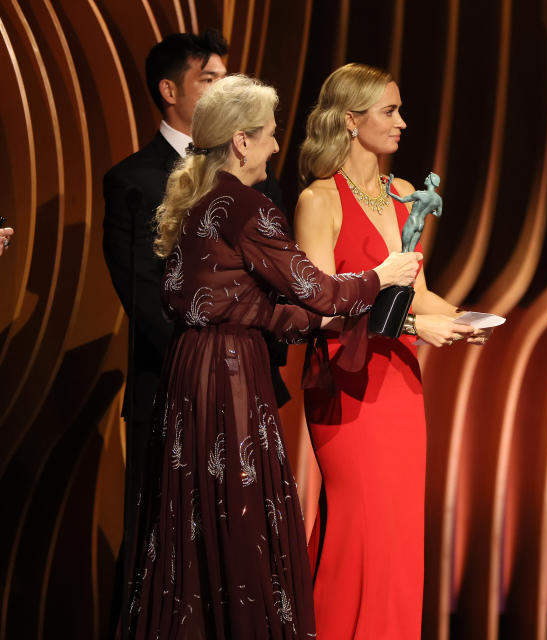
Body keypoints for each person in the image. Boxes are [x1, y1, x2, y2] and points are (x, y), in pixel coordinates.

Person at [115, 74, 421, 638]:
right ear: (241, 141)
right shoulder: (245, 206)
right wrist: (382, 276)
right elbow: (322, 289)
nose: (278, 146)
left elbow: (247, 308)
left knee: (193, 522)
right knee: (240, 514)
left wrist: (315, 320)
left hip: (190, 375)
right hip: (230, 375)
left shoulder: (201, 201)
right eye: (270, 136)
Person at [294, 62, 491, 638]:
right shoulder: (318, 201)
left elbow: (420, 294)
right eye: (389, 111)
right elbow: (324, 307)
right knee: (360, 531)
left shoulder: (404, 194)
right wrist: (416, 327)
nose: (403, 122)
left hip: (399, 384)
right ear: (350, 121)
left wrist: (462, 320)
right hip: (347, 378)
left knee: (399, 534)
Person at [102, 30, 292, 622]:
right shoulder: (133, 180)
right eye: (209, 79)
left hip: (247, 385)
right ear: (169, 90)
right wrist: (203, 359)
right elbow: (145, 298)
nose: (225, 87)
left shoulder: (259, 175)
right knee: (160, 549)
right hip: (172, 388)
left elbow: (280, 273)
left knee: (245, 546)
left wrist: (252, 354)